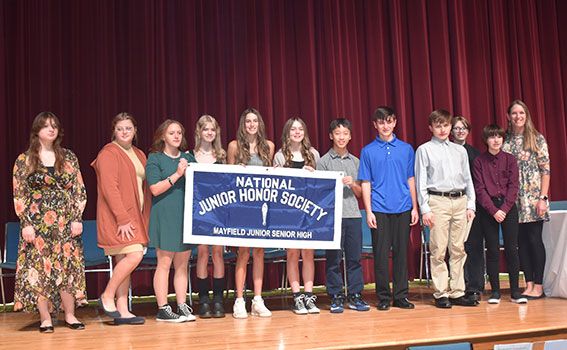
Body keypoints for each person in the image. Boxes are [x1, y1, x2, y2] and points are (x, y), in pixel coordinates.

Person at [12, 112, 87, 332]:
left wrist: (77, 217)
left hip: (65, 223)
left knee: (67, 268)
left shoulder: (69, 157)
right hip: (37, 225)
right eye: (45, 126)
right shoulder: (24, 159)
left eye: (54, 126)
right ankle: (45, 317)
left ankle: (70, 315)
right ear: (37, 131)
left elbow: (78, 189)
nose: (51, 129)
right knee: (39, 269)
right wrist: (25, 222)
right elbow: (19, 193)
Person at [91, 112, 151, 325]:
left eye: (129, 128)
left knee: (124, 261)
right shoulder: (108, 153)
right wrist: (122, 218)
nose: (124, 132)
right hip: (118, 219)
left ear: (135, 131)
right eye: (120, 129)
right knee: (134, 256)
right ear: (113, 131)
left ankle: (123, 310)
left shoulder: (139, 154)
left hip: (134, 217)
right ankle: (107, 295)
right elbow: (109, 188)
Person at [415, 109, 478, 308]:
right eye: (438, 126)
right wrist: (425, 209)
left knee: (459, 249)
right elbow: (421, 181)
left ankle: (458, 292)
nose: (442, 129)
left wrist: (471, 205)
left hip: (460, 200)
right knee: (438, 249)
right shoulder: (424, 150)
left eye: (445, 125)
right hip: (438, 201)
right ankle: (441, 292)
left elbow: (468, 179)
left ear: (451, 126)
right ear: (431, 128)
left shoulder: (459, 151)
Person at [359, 107, 419, 311]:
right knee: (381, 255)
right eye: (381, 122)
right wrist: (368, 211)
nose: (386, 126)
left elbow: (411, 179)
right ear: (375, 124)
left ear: (395, 123)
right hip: (379, 209)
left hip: (403, 208)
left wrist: (415, 207)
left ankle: (401, 296)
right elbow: (365, 182)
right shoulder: (367, 151)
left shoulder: (406, 148)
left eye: (389, 121)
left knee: (402, 254)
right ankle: (383, 296)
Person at [146, 119, 197, 322]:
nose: (176, 136)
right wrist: (177, 174)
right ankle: (163, 308)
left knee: (182, 265)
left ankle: (182, 305)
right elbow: (154, 189)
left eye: (179, 133)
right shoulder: (155, 159)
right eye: (171, 133)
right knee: (164, 263)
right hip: (164, 216)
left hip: (184, 216)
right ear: (162, 136)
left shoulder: (189, 157)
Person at [227, 108, 275, 318]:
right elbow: (228, 178)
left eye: (255, 121)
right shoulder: (234, 146)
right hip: (243, 208)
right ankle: (239, 300)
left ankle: (257, 299)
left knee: (259, 253)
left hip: (262, 208)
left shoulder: (269, 147)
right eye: (248, 121)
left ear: (260, 124)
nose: (251, 125)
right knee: (243, 253)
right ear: (243, 124)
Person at [318, 118, 369, 313]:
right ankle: (335, 296)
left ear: (350, 137)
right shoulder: (322, 161)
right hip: (332, 218)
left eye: (345, 133)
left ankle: (355, 295)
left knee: (355, 258)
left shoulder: (356, 161)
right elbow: (320, 192)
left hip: (353, 216)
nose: (341, 137)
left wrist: (353, 184)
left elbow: (360, 194)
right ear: (331, 136)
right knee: (333, 259)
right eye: (337, 133)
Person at [502, 100, 550, 300]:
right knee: (519, 242)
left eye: (521, 113)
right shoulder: (505, 141)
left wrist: (543, 198)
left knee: (533, 240)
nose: (518, 116)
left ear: (526, 115)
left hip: (533, 200)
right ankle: (528, 284)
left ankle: (538, 285)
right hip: (513, 201)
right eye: (514, 113)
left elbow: (545, 171)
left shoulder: (536, 138)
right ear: (508, 116)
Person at [473, 124, 526, 304]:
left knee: (512, 249)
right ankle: (495, 291)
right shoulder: (479, 162)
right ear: (486, 139)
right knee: (493, 250)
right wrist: (494, 210)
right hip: (488, 210)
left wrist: (503, 209)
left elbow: (514, 186)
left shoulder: (510, 160)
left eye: (499, 137)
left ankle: (515, 292)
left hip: (508, 208)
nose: (496, 140)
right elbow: (479, 190)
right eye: (492, 137)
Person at [273, 117, 321, 315]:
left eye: (300, 129)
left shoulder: (313, 154)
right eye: (293, 129)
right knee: (292, 254)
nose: (297, 132)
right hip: (289, 212)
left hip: (309, 211)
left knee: (308, 254)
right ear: (287, 132)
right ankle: (296, 297)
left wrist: (314, 173)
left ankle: (309, 296)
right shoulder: (279, 156)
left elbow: (321, 185)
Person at [191, 115, 227, 318]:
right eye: (206, 129)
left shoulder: (221, 156)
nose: (209, 133)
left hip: (219, 213)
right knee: (203, 254)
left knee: (218, 253)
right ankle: (204, 300)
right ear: (199, 131)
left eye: (212, 129)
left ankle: (219, 300)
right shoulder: (190, 156)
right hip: (199, 213)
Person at [451, 116, 483, 302]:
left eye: (463, 128)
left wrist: (472, 204)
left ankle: (474, 286)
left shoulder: (475, 154)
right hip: (452, 204)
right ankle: (458, 285)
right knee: (456, 247)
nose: (460, 131)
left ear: (468, 131)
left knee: (474, 246)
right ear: (451, 131)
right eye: (456, 128)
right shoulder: (446, 152)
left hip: (472, 206)